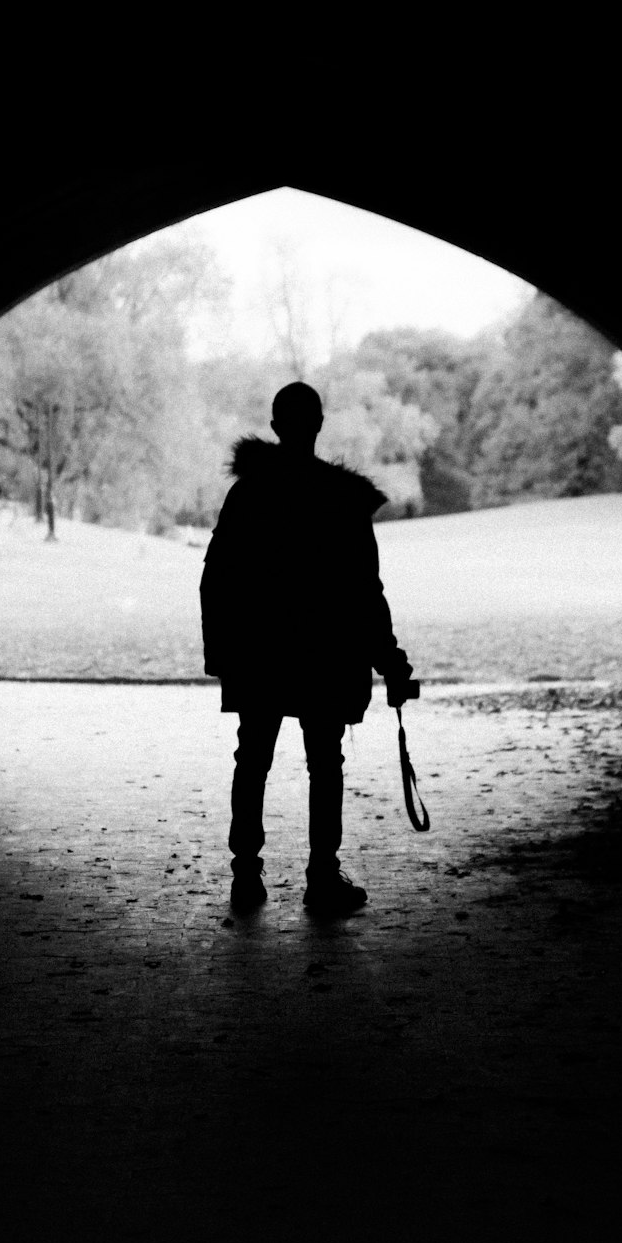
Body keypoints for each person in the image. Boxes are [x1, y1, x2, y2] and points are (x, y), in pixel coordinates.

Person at [200, 381, 416, 916]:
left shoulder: (248, 494)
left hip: (259, 654)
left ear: (275, 427)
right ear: (318, 424)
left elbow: (216, 578)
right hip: (324, 655)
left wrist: (221, 655)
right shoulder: (342, 500)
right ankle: (322, 877)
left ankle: (245, 877)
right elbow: (366, 592)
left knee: (252, 759)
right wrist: (390, 663)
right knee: (326, 762)